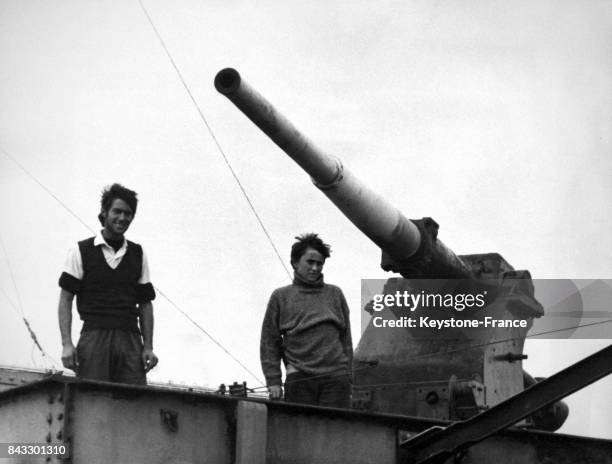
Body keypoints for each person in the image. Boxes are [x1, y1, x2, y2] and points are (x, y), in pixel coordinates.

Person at [57, 183, 158, 384]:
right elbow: (65, 299)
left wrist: (148, 347)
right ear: (104, 212)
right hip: (94, 338)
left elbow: (146, 304)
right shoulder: (80, 250)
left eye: (128, 214)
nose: (122, 218)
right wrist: (67, 344)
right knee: (92, 401)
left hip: (130, 340)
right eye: (117, 211)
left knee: (132, 403)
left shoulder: (138, 253)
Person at [260, 233, 353, 407]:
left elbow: (346, 339)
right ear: (295, 263)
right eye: (310, 262)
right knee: (300, 431)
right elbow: (269, 341)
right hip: (299, 378)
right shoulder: (281, 296)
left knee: (334, 430)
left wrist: (349, 376)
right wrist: (273, 380)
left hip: (336, 379)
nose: (315, 268)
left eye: (320, 264)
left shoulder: (335, 294)